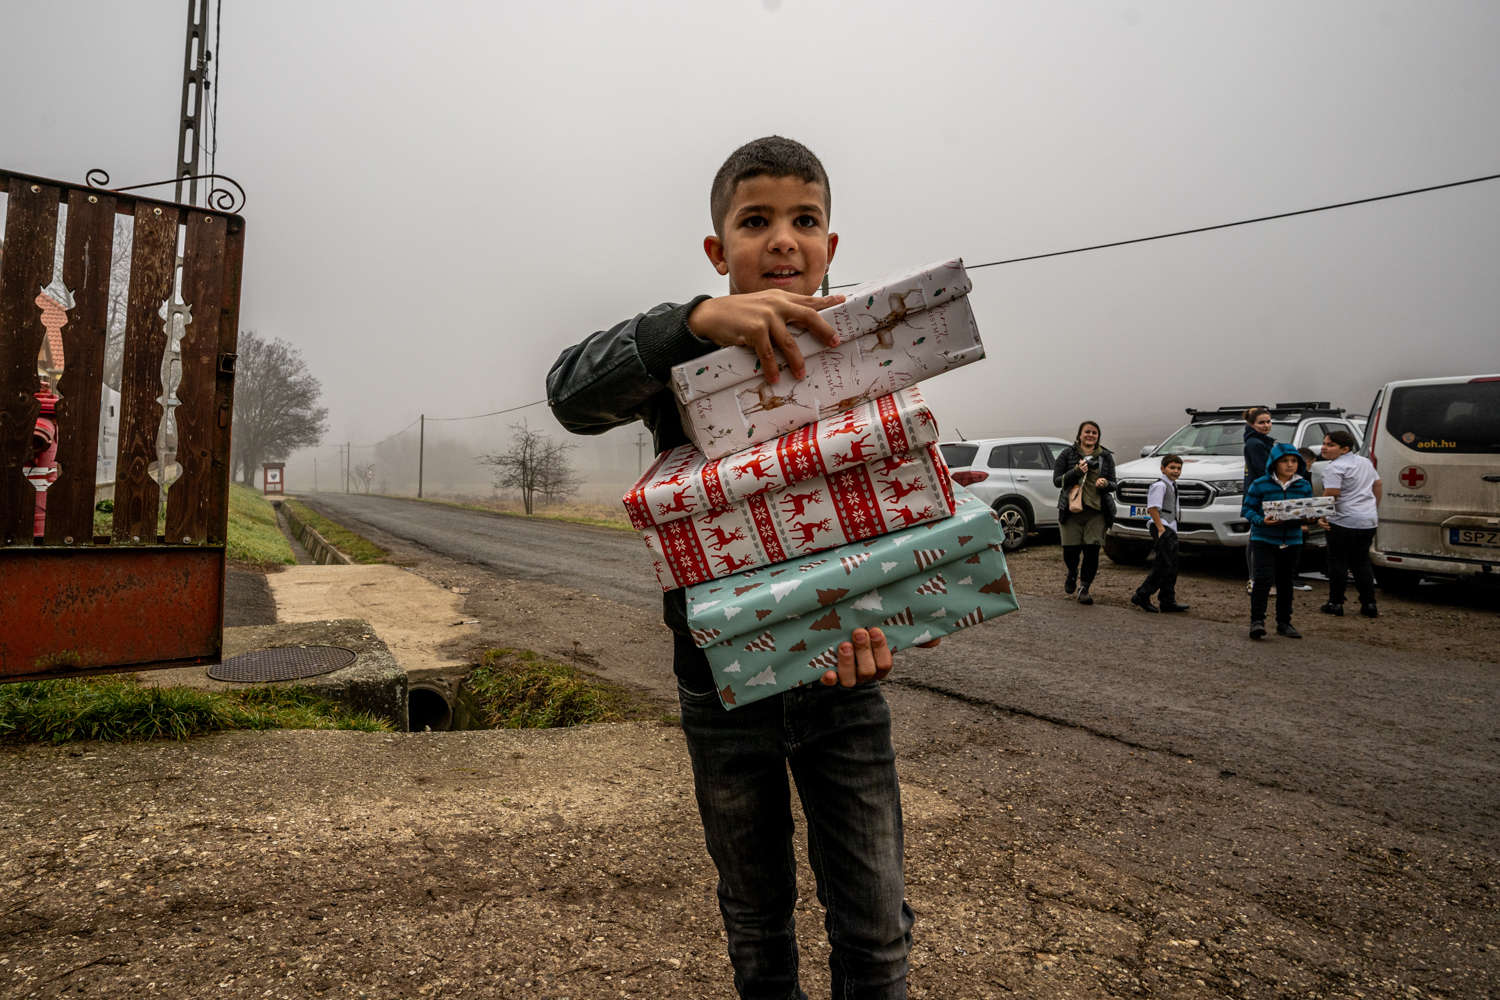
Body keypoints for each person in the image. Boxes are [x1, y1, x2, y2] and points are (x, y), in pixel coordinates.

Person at [546, 136, 919, 998]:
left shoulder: (865, 352)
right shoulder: (682, 354)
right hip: (720, 690)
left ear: (832, 245)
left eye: (805, 219)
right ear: (720, 252)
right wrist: (688, 322)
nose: (783, 239)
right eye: (757, 221)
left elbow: (900, 507)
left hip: (846, 685)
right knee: (758, 933)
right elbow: (569, 395)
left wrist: (897, 618)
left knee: (875, 938)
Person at [1241, 442, 1314, 639]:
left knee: (1285, 582)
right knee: (1263, 581)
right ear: (1274, 463)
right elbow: (1247, 509)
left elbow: (1309, 510)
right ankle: (1257, 621)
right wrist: (1260, 520)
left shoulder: (1303, 485)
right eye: (1284, 461)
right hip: (1264, 539)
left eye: (1293, 461)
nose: (1290, 465)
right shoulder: (1260, 484)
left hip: (1292, 540)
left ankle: (1284, 623)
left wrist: (1314, 518)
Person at [1051, 420, 1116, 606]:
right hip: (1070, 512)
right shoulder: (1067, 454)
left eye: (1094, 433)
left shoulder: (1105, 457)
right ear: (1079, 435)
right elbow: (1057, 481)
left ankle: (1085, 588)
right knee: (1070, 552)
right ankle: (1072, 573)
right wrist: (1076, 472)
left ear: (1098, 436)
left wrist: (1105, 484)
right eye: (1087, 432)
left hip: (1096, 512)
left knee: (1092, 551)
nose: (1090, 435)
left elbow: (1114, 483)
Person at [1318, 428, 1382, 618]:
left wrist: (1321, 515)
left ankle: (1335, 603)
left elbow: (1332, 493)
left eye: (1330, 445)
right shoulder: (1365, 462)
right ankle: (1369, 604)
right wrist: (1372, 507)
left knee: (1338, 561)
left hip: (1343, 521)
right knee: (1361, 562)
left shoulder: (1334, 467)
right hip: (1367, 521)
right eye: (1324, 443)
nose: (1324, 448)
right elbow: (1377, 485)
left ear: (1345, 449)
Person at [1130, 453, 1190, 613]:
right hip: (1162, 526)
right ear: (1163, 468)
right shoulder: (1160, 485)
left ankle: (1167, 600)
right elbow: (1152, 508)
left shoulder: (1172, 485)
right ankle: (1142, 595)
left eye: (1178, 468)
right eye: (1172, 467)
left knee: (1172, 564)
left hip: (1170, 526)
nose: (1176, 471)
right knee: (1164, 564)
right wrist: (1161, 528)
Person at [1242, 406, 1276, 593]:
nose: (1266, 425)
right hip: (1260, 495)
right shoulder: (1255, 444)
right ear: (1251, 424)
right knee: (1257, 538)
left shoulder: (1263, 442)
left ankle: (1262, 579)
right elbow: (1265, 471)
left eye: (1268, 421)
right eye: (1261, 422)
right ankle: (1254, 580)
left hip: (1262, 494)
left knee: (1260, 537)